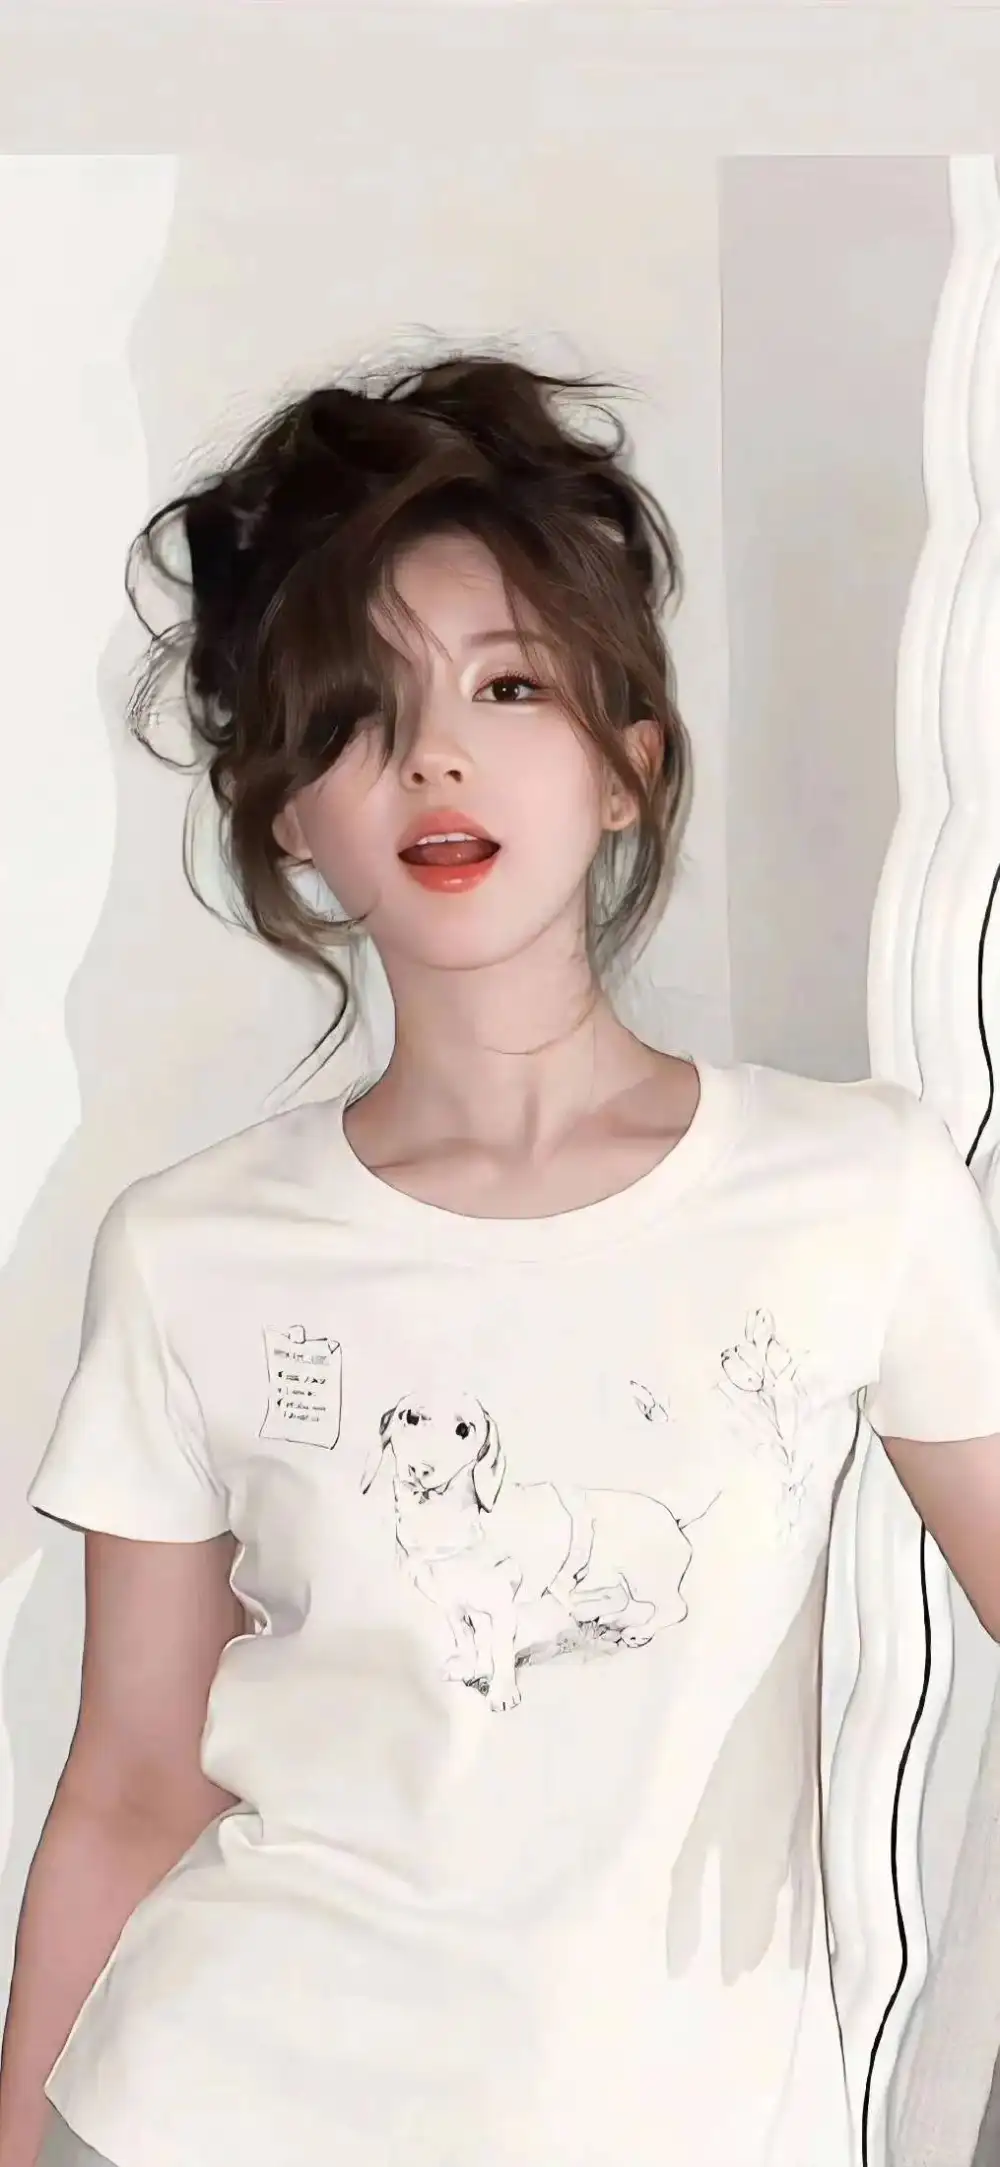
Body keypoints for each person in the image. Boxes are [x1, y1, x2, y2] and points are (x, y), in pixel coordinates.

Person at [3, 351, 1000, 2167]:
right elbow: (133, 1783)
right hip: (210, 2112)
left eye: (509, 684)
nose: (435, 754)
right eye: (359, 713)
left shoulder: (857, 1185)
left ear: (629, 767)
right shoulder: (191, 1252)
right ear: (292, 816)